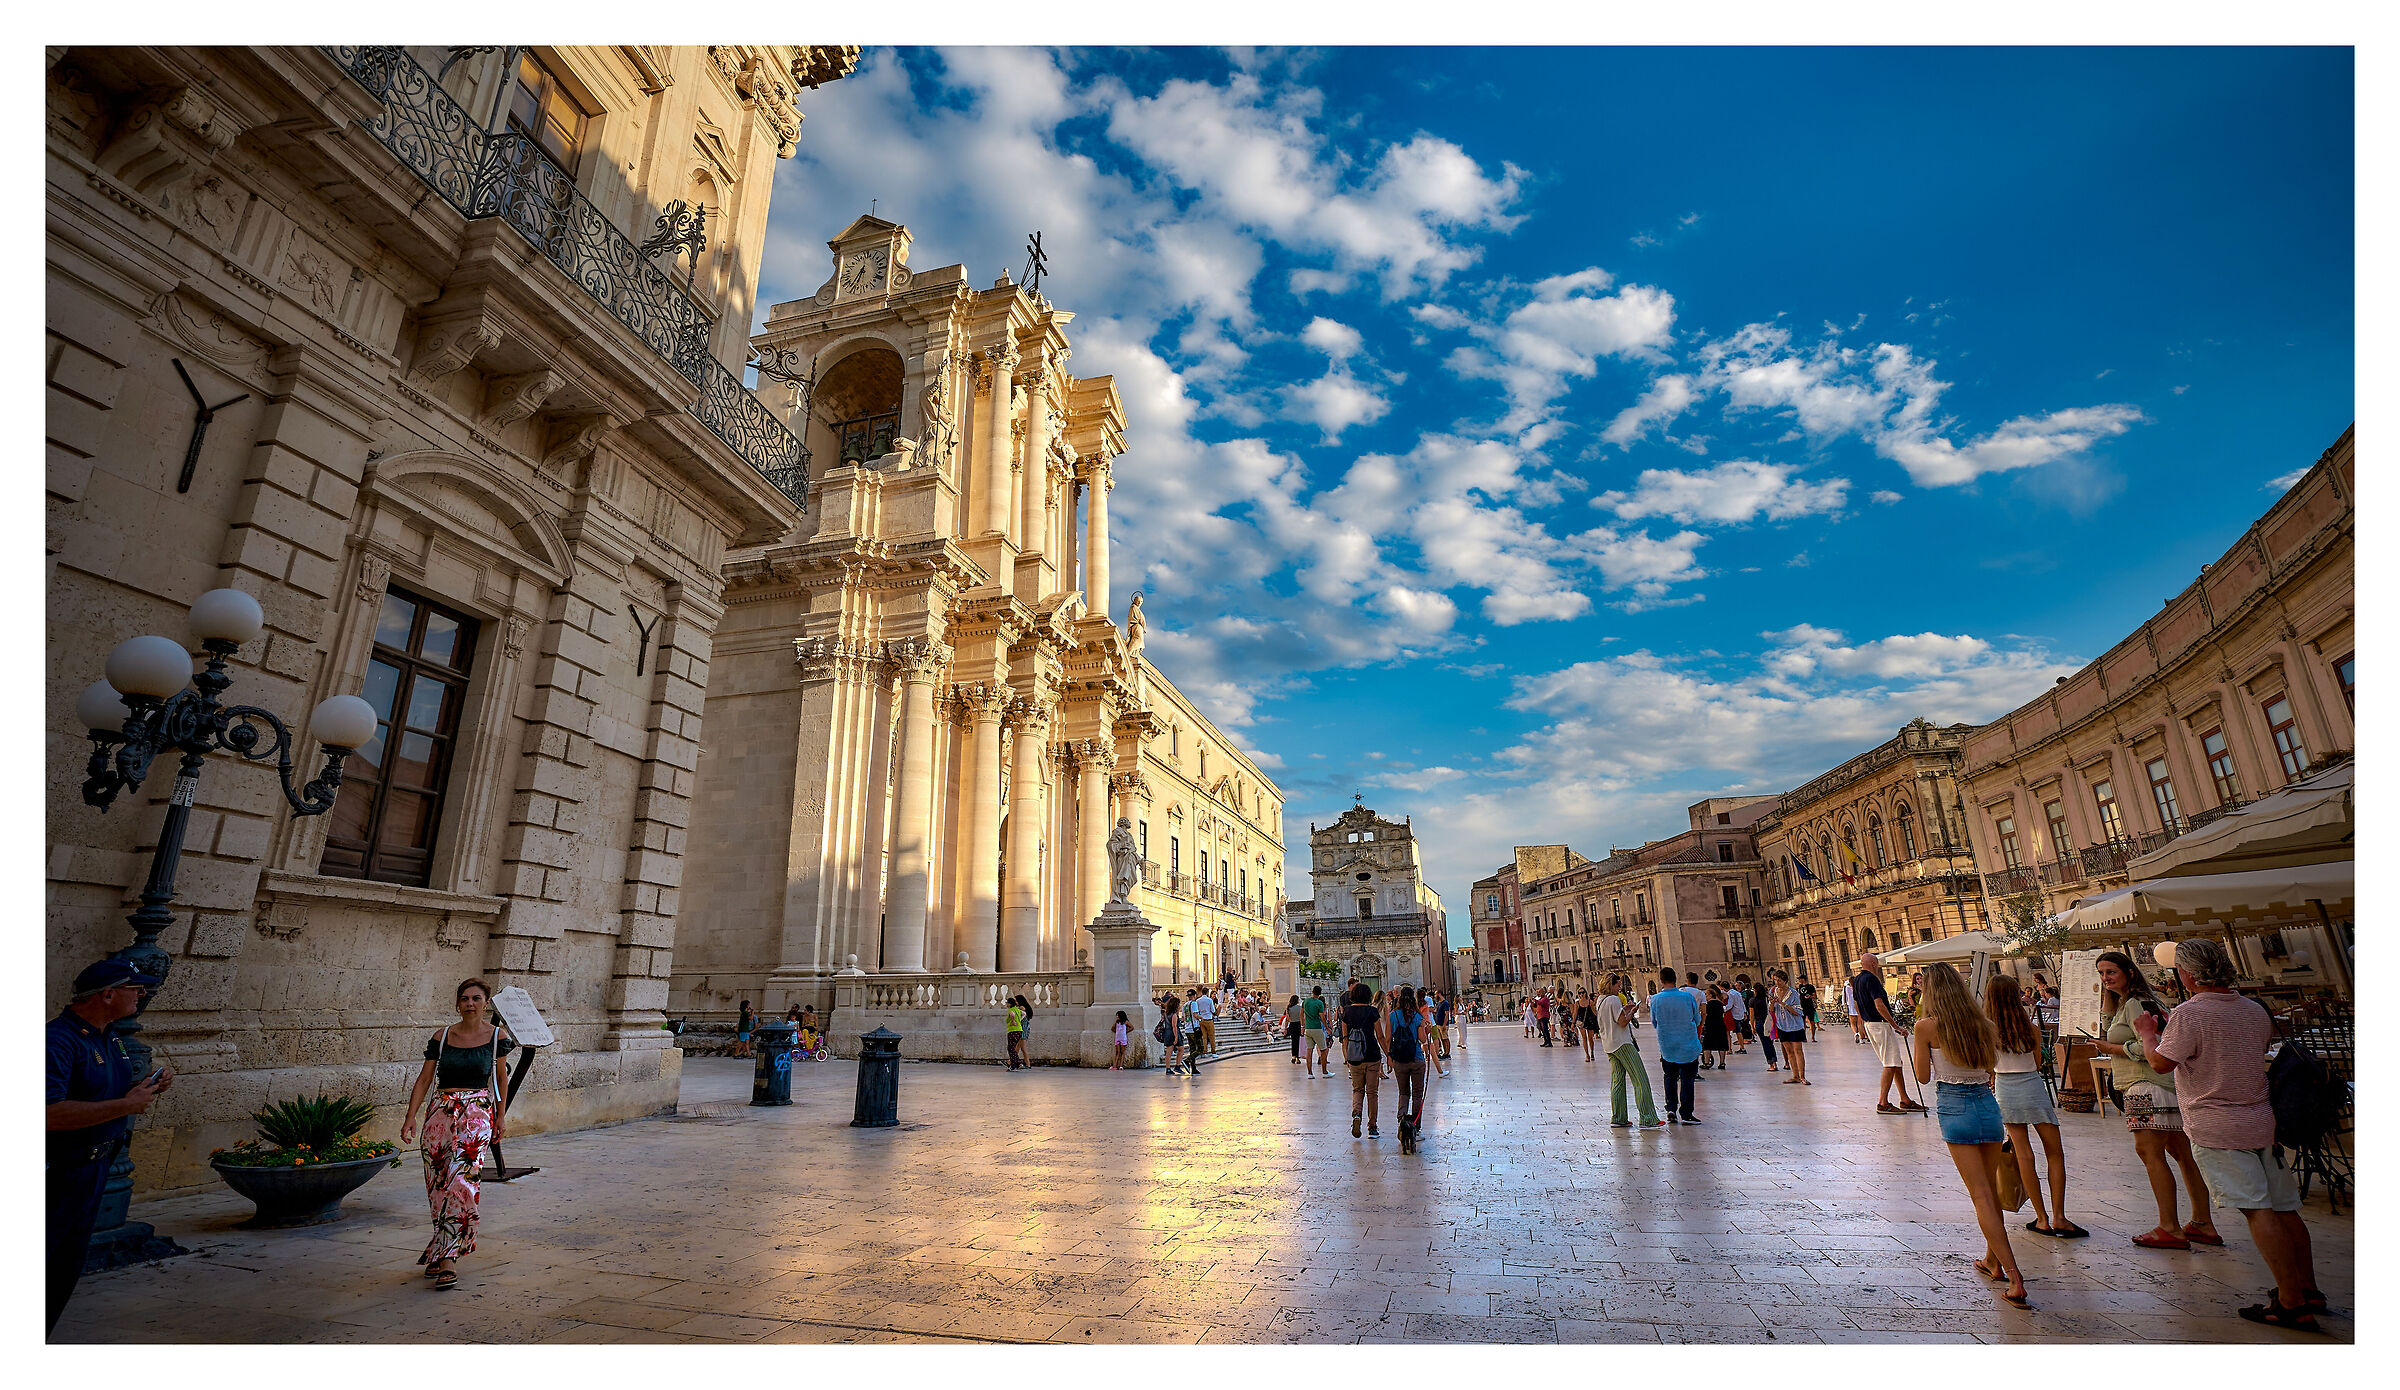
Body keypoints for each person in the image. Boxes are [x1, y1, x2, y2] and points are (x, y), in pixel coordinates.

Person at [2135, 937, 2326, 1331]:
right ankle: (2308, 1289)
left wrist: (2147, 1033)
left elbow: (2160, 1063)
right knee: (2284, 1208)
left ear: (2188, 973)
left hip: (2217, 1124)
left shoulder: (2189, 1014)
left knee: (2257, 1210)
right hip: (2261, 1119)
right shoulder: (2254, 1010)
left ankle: (2291, 1302)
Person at [46, 958, 172, 1334]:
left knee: (63, 1270)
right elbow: (47, 1114)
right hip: (58, 1172)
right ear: (107, 994)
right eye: (135, 988)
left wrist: (145, 1088)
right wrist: (125, 1106)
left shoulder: (109, 1036)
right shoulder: (57, 1041)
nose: (142, 994)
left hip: (93, 1170)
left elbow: (100, 1092)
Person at [1911, 963, 2028, 1308]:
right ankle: (1992, 1260)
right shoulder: (1984, 1025)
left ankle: (2014, 1276)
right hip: (1988, 1107)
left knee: (1981, 1196)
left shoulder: (1926, 1027)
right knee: (1989, 1190)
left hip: (1954, 1108)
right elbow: (1990, 1068)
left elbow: (1922, 1076)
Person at [2091, 950, 2220, 1251]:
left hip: (2144, 1085)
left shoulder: (2136, 1003)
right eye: (2101, 973)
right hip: (2164, 1085)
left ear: (2129, 972)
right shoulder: (2140, 1001)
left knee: (2150, 1153)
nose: (2105, 978)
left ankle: (2169, 1227)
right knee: (2182, 1154)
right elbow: (2112, 1025)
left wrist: (2111, 1048)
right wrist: (2108, 997)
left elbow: (2152, 1045)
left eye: (2110, 972)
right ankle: (2202, 1222)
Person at [400, 978, 514, 1290]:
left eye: (476, 998)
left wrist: (501, 1116)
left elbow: (500, 1078)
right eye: (464, 998)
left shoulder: (497, 1037)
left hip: (477, 1113)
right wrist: (410, 1117)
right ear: (457, 1003)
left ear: (486, 1003)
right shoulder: (443, 1036)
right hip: (440, 1111)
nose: (470, 1003)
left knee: (462, 1181)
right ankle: (440, 1249)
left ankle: (448, 1257)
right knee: (438, 1183)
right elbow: (425, 1079)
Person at [1984, 973, 2079, 1239]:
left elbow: (1988, 1066)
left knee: (2023, 1154)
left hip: (2006, 1089)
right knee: (2054, 1153)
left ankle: (2042, 1218)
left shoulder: (1988, 1032)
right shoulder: (2031, 1029)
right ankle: (2060, 1216)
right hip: (2033, 1088)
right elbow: (2037, 1064)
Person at [1855, 953, 1924, 1113]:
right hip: (1880, 1024)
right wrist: (1896, 1026)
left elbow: (1856, 1004)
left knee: (1895, 1062)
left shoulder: (1857, 979)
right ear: (1873, 964)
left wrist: (1862, 1022)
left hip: (1870, 1024)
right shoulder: (1872, 979)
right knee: (1890, 1063)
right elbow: (1879, 1005)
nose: (1878, 966)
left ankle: (1905, 1099)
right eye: (1877, 963)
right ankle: (1883, 1102)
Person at [1596, 974, 1664, 1129]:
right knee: (1640, 1079)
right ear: (1610, 985)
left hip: (1609, 1044)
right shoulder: (1614, 999)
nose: (1619, 988)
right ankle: (1648, 1118)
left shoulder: (1600, 999)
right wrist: (1632, 1012)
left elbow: (1613, 1018)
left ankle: (1618, 1117)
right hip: (1622, 1043)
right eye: (1617, 985)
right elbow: (1622, 1022)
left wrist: (1625, 1010)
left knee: (1617, 1081)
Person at [1649, 967, 1703, 1123]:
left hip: (1667, 1046)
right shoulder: (1687, 997)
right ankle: (1686, 1113)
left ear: (1661, 981)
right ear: (1675, 979)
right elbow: (1697, 1019)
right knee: (1687, 1079)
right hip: (1688, 1045)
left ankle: (1671, 1108)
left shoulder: (1655, 999)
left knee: (1670, 1077)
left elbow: (1654, 1022)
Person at [1341, 981, 1392, 1138]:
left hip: (1354, 1057)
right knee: (1372, 1092)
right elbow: (1380, 1036)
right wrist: (1388, 1055)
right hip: (1372, 1055)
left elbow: (1345, 1038)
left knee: (1357, 1090)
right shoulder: (1372, 1011)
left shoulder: (1347, 1012)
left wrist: (1347, 1057)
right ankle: (1372, 1127)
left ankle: (1357, 1114)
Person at [1387, 985, 1431, 1152]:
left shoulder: (1392, 1016)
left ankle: (1402, 1122)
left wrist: (1389, 1057)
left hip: (1399, 1060)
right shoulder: (1417, 1016)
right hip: (1416, 1058)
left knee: (1403, 1092)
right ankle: (1415, 1127)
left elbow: (1388, 1038)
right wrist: (1425, 1029)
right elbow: (1423, 1040)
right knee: (1417, 1094)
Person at [1769, 970, 1810, 1085]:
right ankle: (1795, 1076)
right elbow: (1771, 1010)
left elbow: (1797, 1011)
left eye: (1779, 980)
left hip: (1794, 1025)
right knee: (1789, 1052)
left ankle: (1802, 1076)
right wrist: (1772, 1003)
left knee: (1798, 1050)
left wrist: (1783, 1003)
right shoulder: (1773, 991)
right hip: (1781, 1025)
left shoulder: (1793, 993)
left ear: (1785, 980)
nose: (1777, 983)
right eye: (1775, 980)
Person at [1303, 985, 1333, 1076]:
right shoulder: (1319, 1003)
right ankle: (1324, 1072)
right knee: (1323, 1050)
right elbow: (1322, 1017)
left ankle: (1310, 1073)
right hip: (1317, 1028)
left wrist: (1302, 1025)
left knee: (1309, 1050)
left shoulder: (1305, 1001)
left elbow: (1301, 1014)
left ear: (1312, 991)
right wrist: (1327, 1028)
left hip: (1308, 1028)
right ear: (1320, 993)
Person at [1701, 983, 1732, 1070]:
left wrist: (1702, 1023)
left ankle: (1706, 1063)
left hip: (1710, 1026)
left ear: (1711, 995)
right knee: (1721, 1045)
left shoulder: (1707, 1005)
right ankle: (1722, 1063)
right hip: (1720, 1025)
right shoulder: (1720, 1004)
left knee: (1707, 1045)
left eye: (1706, 995)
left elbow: (1705, 1014)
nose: (1705, 996)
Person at [1182, 988, 1208, 1078]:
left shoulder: (1184, 1005)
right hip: (1194, 1029)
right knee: (1201, 1049)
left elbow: (1183, 1018)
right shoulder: (1194, 1003)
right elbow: (1195, 1015)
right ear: (1194, 995)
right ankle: (1186, 1061)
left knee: (1192, 1050)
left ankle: (1193, 1069)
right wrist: (1201, 1018)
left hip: (1187, 1029)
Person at [1159, 990, 1186, 1076]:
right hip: (1173, 1033)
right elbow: (1174, 1026)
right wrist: (1176, 1037)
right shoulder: (1174, 1015)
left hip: (1167, 1032)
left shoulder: (1166, 1013)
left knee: (1169, 1051)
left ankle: (1168, 1068)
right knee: (1181, 1049)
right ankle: (1177, 1066)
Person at [1189, 985, 1218, 1057]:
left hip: (1201, 1020)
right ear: (1207, 993)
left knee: (1204, 1037)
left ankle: (1204, 1051)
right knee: (1211, 1036)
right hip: (1208, 1019)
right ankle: (1213, 1052)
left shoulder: (1198, 1000)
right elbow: (1213, 1010)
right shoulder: (1209, 1000)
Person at [1573, 989, 1600, 1062]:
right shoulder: (1577, 1003)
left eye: (1583, 992)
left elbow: (1594, 1011)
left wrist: (1599, 1018)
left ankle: (1592, 1052)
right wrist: (1573, 1023)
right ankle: (1587, 1055)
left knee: (1590, 1038)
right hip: (1581, 1021)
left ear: (1585, 993)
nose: (1581, 994)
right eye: (1579, 993)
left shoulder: (1590, 1002)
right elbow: (1575, 1013)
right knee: (1584, 1038)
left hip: (1589, 1020)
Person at [1004, 994, 1029, 1070]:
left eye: (1007, 1003)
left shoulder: (1011, 1010)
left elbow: (1012, 1014)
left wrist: (1013, 1021)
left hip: (1013, 1030)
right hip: (1019, 1030)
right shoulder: (1018, 1010)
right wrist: (1020, 1020)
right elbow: (1024, 1014)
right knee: (1013, 1048)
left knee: (1011, 1049)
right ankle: (1015, 1064)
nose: (1006, 1004)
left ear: (1009, 1004)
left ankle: (1016, 1064)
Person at [1842, 977, 1865, 1044]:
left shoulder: (1846, 988)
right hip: (1859, 1006)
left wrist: (1844, 1005)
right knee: (1860, 1023)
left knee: (1853, 1023)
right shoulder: (1859, 987)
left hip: (1850, 1007)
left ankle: (1856, 1033)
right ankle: (1861, 1038)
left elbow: (1844, 998)